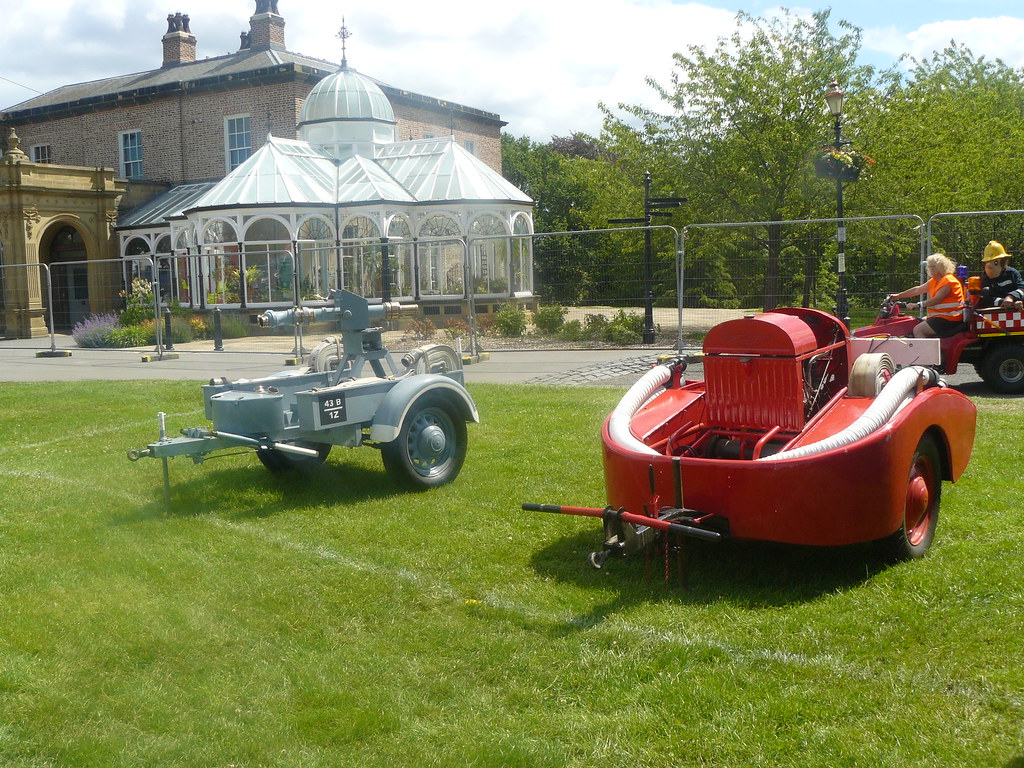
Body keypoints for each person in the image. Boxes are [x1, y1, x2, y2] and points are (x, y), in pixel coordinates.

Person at [888, 253, 966, 338]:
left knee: (918, 330)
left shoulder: (948, 281)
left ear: (942, 266)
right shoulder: (935, 280)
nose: (931, 269)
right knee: (913, 322)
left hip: (950, 318)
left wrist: (918, 305)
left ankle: (924, 347)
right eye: (929, 266)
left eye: (934, 266)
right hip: (941, 316)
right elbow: (917, 290)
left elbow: (937, 299)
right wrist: (898, 296)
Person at [978, 240, 1024, 311]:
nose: (989, 266)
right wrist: (1006, 302)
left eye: (995, 262)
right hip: (996, 312)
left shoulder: (1012, 273)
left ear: (1003, 262)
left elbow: (1022, 288)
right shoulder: (985, 279)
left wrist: (1012, 297)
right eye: (987, 262)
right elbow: (988, 299)